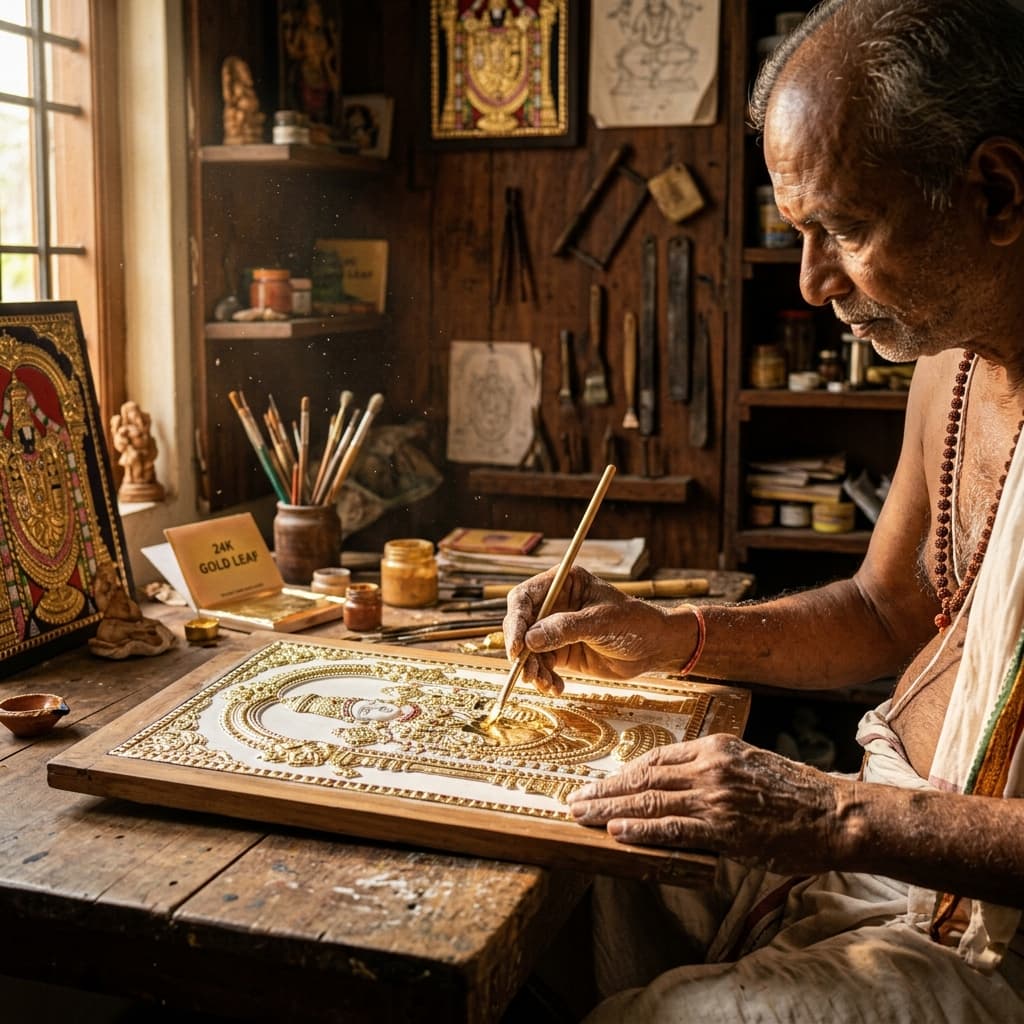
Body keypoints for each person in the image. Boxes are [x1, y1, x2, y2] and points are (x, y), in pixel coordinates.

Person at [504, 1, 1024, 1019]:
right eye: (798, 232)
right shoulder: (950, 366)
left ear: (997, 192)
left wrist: (833, 815)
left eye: (845, 229)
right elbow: (883, 609)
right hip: (883, 836)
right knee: (566, 853)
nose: (813, 280)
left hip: (991, 932)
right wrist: (669, 634)